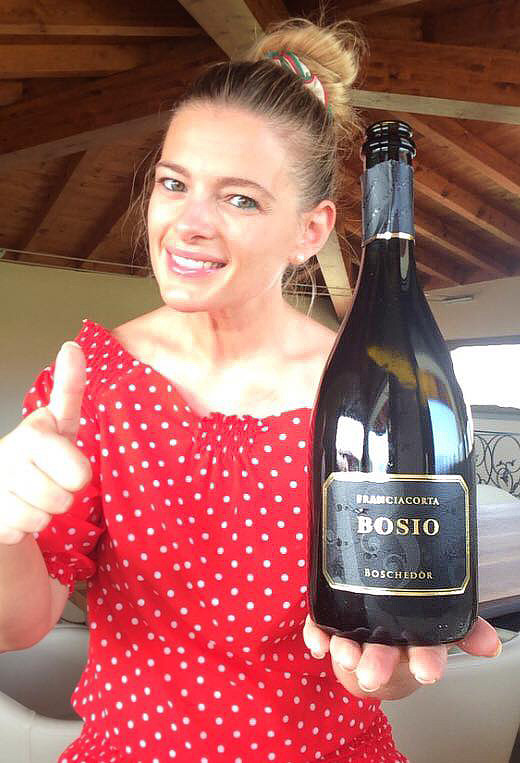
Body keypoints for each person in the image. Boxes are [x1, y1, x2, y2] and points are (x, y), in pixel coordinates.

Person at [0, 15, 501, 763]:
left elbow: (384, 623)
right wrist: (4, 529)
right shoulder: (93, 383)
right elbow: (20, 626)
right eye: (174, 183)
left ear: (309, 231)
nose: (189, 223)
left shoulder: (362, 389)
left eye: (240, 199)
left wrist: (385, 661)